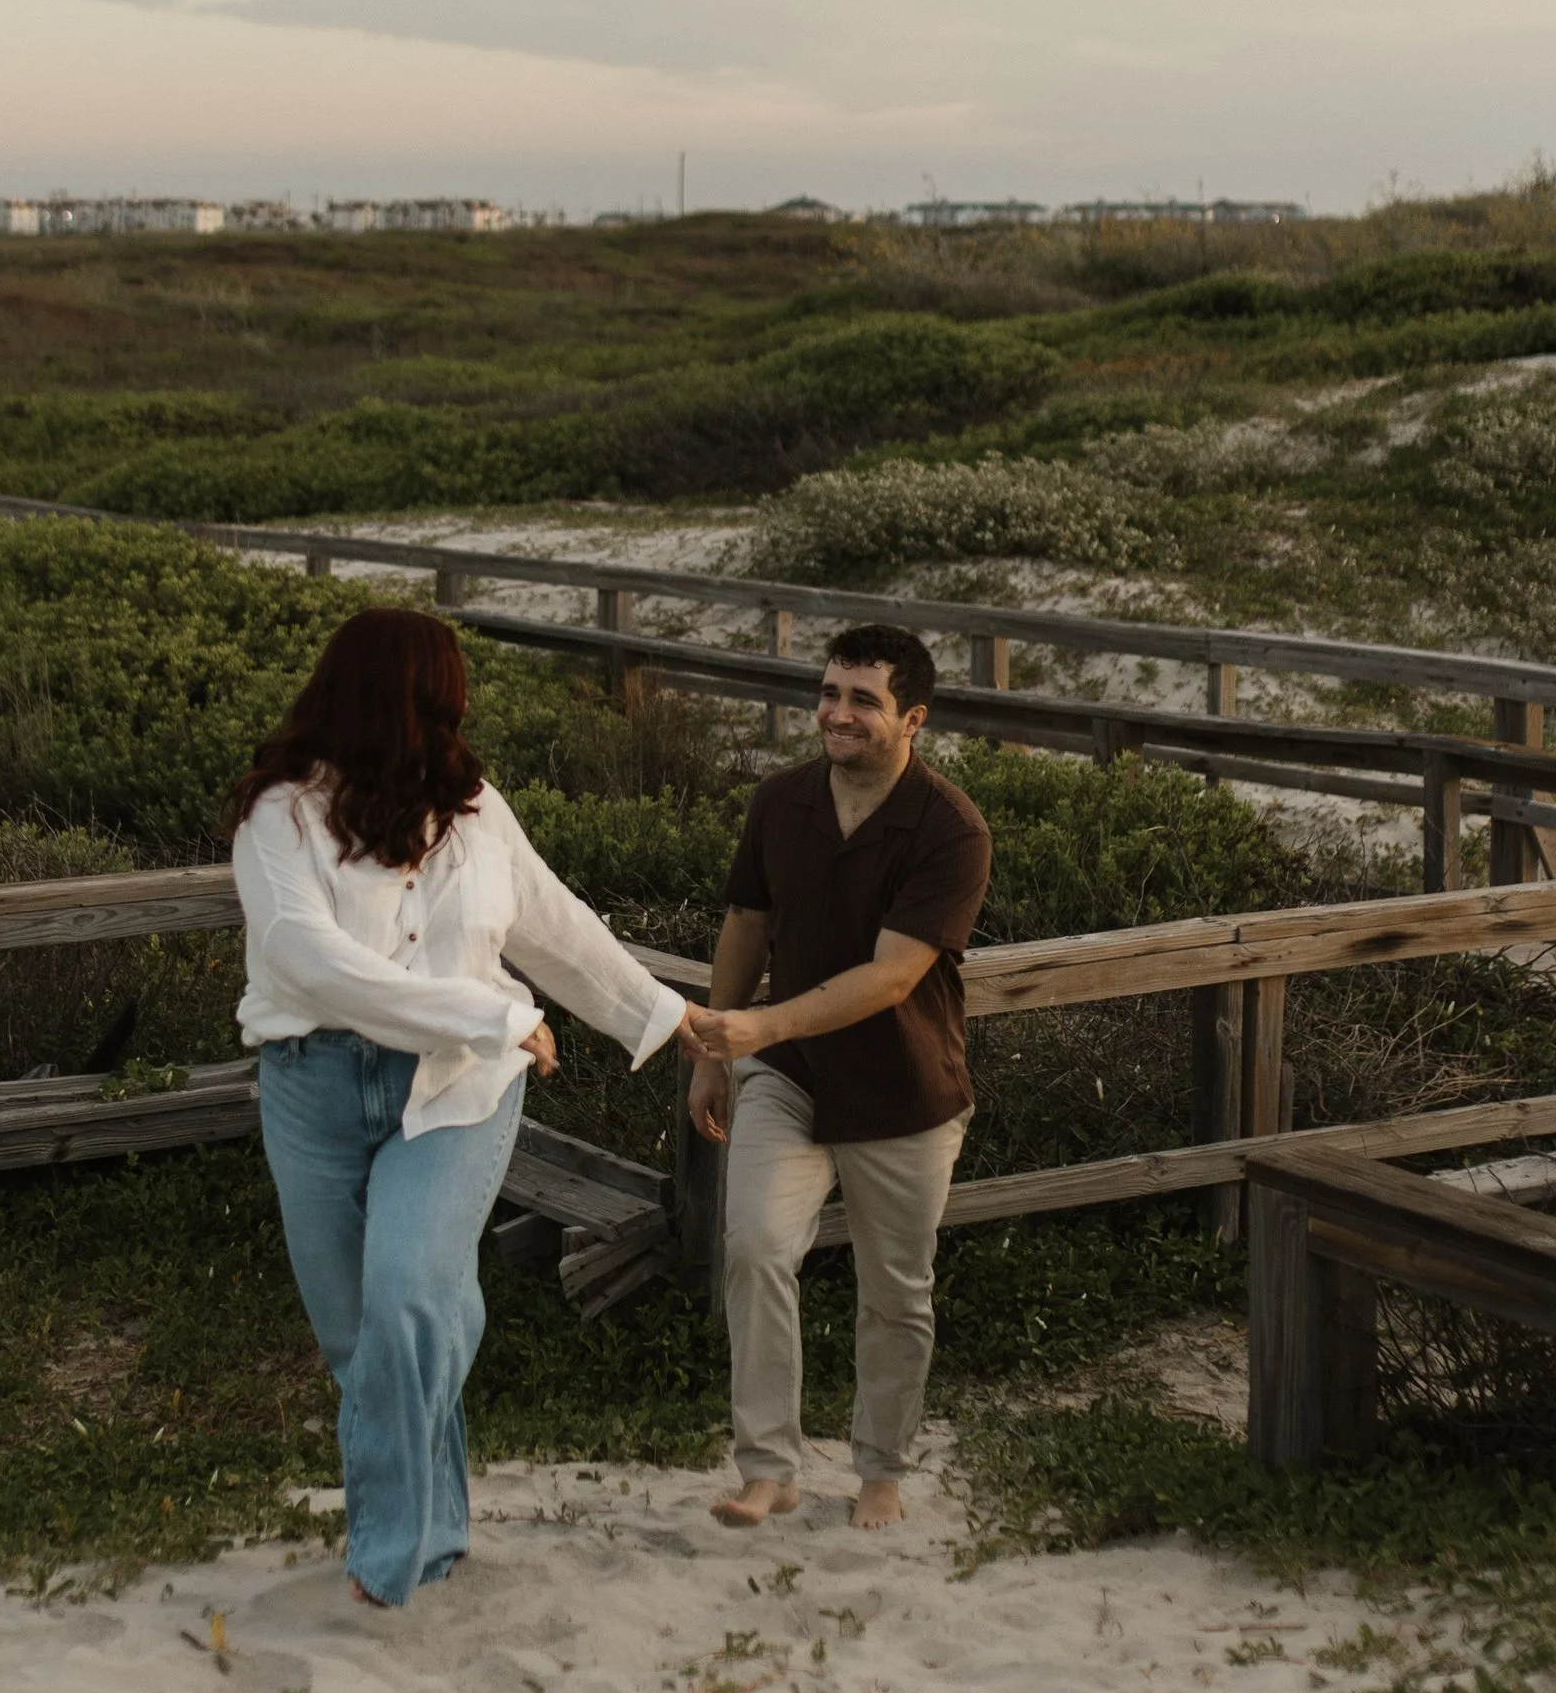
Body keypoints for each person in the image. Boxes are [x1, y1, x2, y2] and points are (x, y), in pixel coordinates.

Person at [232, 604, 696, 1609]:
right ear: (407, 695)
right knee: (363, 1334)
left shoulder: (474, 808)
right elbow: (308, 962)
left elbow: (553, 923)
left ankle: (389, 1556)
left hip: (455, 1087)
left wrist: (660, 1012)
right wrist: (486, 1009)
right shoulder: (281, 814)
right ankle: (431, 1508)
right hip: (313, 1084)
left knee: (404, 1294)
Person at [685, 622, 993, 1533]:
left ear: (914, 719)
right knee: (753, 1248)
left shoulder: (950, 828)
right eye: (829, 692)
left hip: (904, 1092)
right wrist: (716, 1050)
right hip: (788, 1077)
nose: (838, 713)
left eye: (864, 699)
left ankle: (882, 1471)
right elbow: (746, 920)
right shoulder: (780, 801)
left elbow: (891, 977)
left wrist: (757, 1024)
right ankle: (769, 1466)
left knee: (895, 1289)